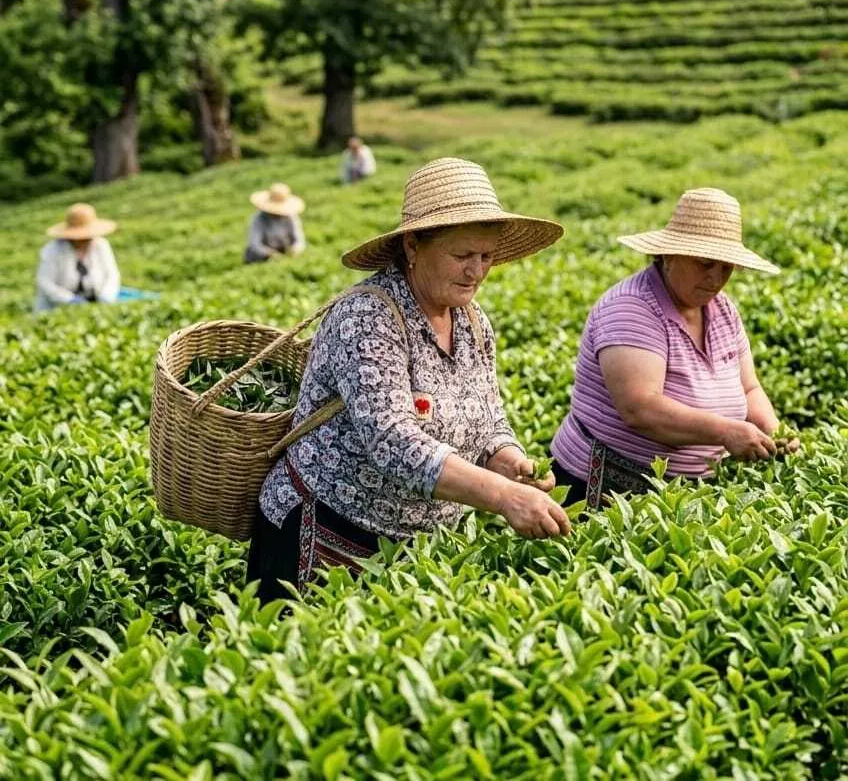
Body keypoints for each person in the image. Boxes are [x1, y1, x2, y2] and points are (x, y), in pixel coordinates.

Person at [249, 157, 569, 602]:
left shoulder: (472, 321)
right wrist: (502, 497)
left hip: (415, 548)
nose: (476, 272)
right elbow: (392, 440)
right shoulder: (368, 316)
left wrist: (509, 460)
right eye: (462, 255)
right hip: (323, 532)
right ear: (413, 246)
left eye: (486, 256)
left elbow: (489, 416)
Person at [550, 187, 799, 509]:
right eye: (705, 263)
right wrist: (725, 432)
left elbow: (749, 388)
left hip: (682, 493)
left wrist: (774, 430)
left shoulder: (722, 309)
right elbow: (640, 409)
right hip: (602, 491)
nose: (715, 278)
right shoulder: (631, 308)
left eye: (726, 268)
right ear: (669, 254)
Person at [34, 203, 120, 312]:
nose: (85, 240)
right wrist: (69, 300)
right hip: (57, 308)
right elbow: (45, 283)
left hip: (95, 301)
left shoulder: (101, 245)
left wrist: (106, 296)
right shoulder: (53, 250)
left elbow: (112, 274)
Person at [244, 183, 306, 264]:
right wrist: (270, 253)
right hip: (260, 257)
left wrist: (295, 249)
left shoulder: (291, 217)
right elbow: (255, 244)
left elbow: (299, 239)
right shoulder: (258, 219)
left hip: (284, 253)